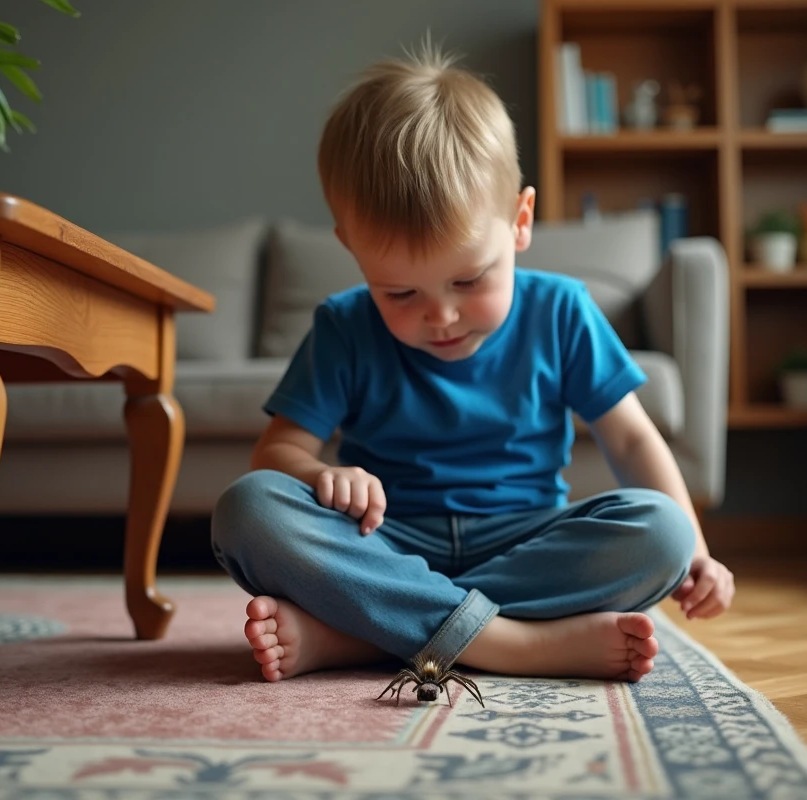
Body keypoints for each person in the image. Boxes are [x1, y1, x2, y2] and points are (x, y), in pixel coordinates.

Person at [210, 42, 734, 686]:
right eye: (400, 293)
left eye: (468, 281)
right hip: (388, 543)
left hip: (525, 543)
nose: (442, 317)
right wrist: (321, 473)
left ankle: (361, 634)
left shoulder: (563, 311)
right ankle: (516, 644)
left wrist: (699, 552)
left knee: (662, 533)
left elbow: (630, 437)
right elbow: (276, 454)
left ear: (520, 221)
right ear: (351, 249)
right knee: (248, 509)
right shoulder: (344, 327)